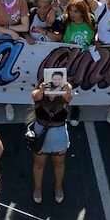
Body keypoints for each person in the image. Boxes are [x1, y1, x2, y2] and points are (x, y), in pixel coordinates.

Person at [29, 72, 72, 204]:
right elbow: (35, 96)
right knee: (39, 164)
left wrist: (67, 89)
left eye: (59, 79)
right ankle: (38, 188)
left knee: (59, 163)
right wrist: (42, 89)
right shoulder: (39, 92)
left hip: (59, 133)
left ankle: (58, 187)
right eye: (53, 79)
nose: (56, 81)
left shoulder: (65, 90)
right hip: (41, 132)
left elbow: (68, 98)